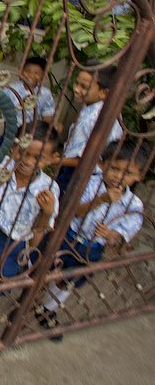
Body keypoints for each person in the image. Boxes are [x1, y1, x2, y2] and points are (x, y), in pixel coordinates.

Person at [37, 140, 148, 334]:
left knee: (69, 281)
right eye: (114, 168)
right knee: (44, 269)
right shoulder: (89, 183)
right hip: (68, 235)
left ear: (139, 176)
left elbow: (129, 228)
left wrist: (113, 235)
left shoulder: (133, 204)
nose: (119, 177)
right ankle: (27, 302)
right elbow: (74, 211)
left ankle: (47, 310)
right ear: (102, 163)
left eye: (128, 173)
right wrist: (102, 199)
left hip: (92, 247)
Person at [0, 122, 61, 319]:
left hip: (10, 245)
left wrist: (47, 212)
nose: (27, 161)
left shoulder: (49, 189)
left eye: (37, 157)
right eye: (22, 152)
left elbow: (40, 229)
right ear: (14, 147)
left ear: (52, 159)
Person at [58, 63, 123, 192]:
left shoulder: (99, 117)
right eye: (77, 83)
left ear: (103, 93)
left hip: (83, 175)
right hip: (72, 168)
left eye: (84, 87)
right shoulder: (93, 106)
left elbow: (89, 160)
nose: (76, 89)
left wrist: (54, 161)